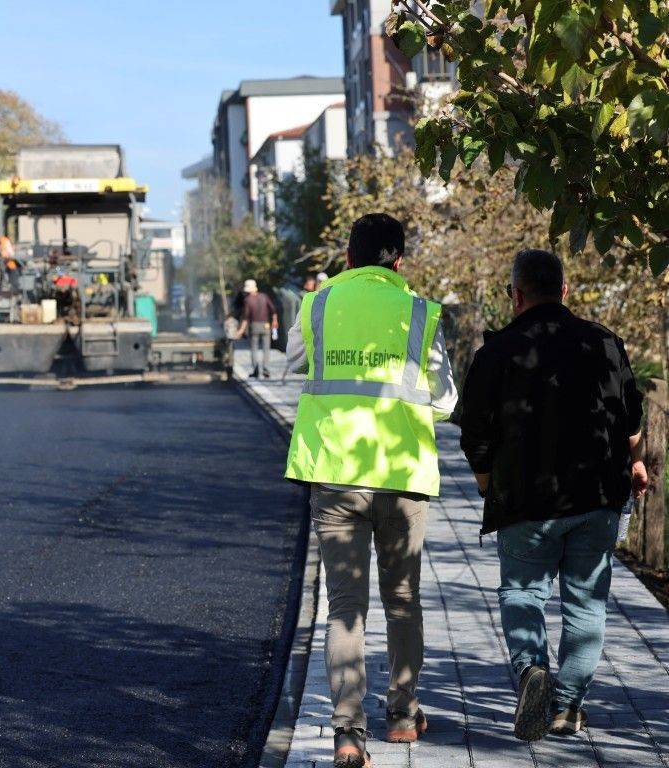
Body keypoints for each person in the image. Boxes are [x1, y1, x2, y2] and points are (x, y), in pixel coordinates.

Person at [283, 213, 457, 768]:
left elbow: (292, 362)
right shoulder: (419, 312)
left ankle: (348, 735)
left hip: (335, 471)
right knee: (402, 603)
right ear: (399, 261)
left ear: (350, 258)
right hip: (402, 475)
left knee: (345, 610)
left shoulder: (319, 304)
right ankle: (403, 718)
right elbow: (447, 401)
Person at [456, 248, 646, 742]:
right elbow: (630, 422)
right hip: (598, 497)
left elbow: (474, 432)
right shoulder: (605, 343)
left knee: (522, 593)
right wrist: (635, 463)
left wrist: (485, 483)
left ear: (515, 295)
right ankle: (566, 708)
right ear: (565, 291)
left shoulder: (496, 352)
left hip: (525, 501)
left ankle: (531, 671)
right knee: (587, 605)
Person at [234, 279, 278, 379]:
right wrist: (275, 321)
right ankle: (266, 369)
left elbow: (245, 317)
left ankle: (256, 370)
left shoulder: (248, 300)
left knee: (254, 348)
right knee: (266, 348)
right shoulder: (264, 297)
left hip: (254, 326)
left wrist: (240, 330)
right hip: (266, 325)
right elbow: (273, 310)